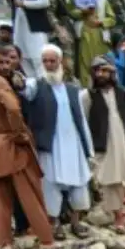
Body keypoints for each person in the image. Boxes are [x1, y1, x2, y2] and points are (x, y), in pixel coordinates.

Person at [0, 44, 57, 249]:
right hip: (9, 143)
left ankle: (4, 242)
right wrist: (19, 133)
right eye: (0, 62)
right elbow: (13, 108)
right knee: (29, 191)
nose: (5, 66)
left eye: (7, 62)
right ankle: (46, 239)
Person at [24, 43, 92, 235]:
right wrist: (19, 82)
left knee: (79, 184)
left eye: (52, 61)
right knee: (50, 184)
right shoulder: (35, 86)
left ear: (60, 61)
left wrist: (88, 147)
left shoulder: (72, 89)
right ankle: (54, 224)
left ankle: (76, 222)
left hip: (74, 145)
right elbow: (24, 90)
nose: (49, 64)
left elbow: (81, 119)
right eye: (45, 61)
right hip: (50, 146)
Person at [86, 54, 125, 232]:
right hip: (104, 146)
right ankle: (119, 219)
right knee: (110, 182)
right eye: (98, 71)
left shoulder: (123, 93)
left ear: (112, 73)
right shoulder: (87, 96)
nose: (102, 74)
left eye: (106, 71)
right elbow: (85, 119)